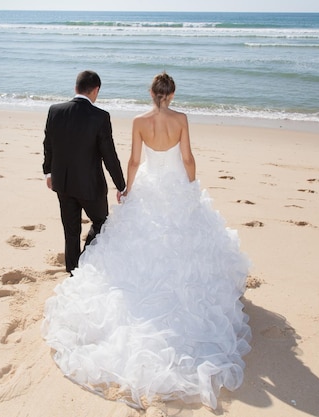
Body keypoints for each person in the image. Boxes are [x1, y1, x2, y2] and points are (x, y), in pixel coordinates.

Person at [42, 72, 251, 410]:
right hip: (174, 189)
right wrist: (190, 187)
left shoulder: (139, 121)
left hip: (150, 188)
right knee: (185, 246)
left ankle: (82, 272)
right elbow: (187, 158)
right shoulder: (181, 119)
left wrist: (127, 188)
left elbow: (135, 160)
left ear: (151, 93)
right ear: (171, 94)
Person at [42, 70, 126, 274]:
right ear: (96, 90)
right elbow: (109, 156)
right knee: (101, 223)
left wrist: (48, 173)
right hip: (90, 186)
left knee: (71, 231)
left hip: (62, 182)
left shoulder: (55, 111)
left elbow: (48, 145)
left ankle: (73, 270)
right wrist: (121, 185)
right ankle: (85, 262)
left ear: (75, 88)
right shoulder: (100, 117)